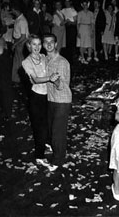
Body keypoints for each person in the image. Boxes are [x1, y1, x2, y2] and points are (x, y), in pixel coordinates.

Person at [22, 34, 58, 166]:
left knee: (48, 122)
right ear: (29, 46)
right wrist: (50, 77)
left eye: (38, 44)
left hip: (47, 95)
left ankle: (45, 143)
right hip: (36, 97)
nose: (36, 47)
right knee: (39, 127)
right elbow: (35, 79)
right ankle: (39, 155)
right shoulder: (26, 62)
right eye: (33, 44)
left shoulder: (43, 57)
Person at [43, 33, 72, 171]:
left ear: (56, 44)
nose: (49, 44)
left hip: (62, 100)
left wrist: (56, 80)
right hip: (50, 98)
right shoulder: (45, 59)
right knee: (50, 127)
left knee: (58, 132)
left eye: (51, 42)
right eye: (46, 42)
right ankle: (52, 147)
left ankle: (58, 160)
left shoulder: (61, 62)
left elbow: (62, 86)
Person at [11, 2, 29, 83]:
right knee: (17, 62)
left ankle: (20, 80)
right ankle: (17, 79)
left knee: (20, 63)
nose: (12, 12)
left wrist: (15, 44)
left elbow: (23, 36)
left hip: (20, 44)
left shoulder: (22, 21)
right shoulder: (18, 19)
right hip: (18, 42)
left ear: (15, 10)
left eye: (12, 10)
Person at [77, 0, 94, 64]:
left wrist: (92, 31)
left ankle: (89, 56)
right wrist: (78, 32)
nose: (85, 6)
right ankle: (82, 57)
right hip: (82, 28)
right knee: (82, 43)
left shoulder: (91, 13)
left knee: (89, 44)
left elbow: (92, 23)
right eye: (84, 5)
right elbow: (78, 23)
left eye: (86, 4)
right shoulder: (80, 13)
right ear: (82, 5)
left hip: (88, 28)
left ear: (88, 5)